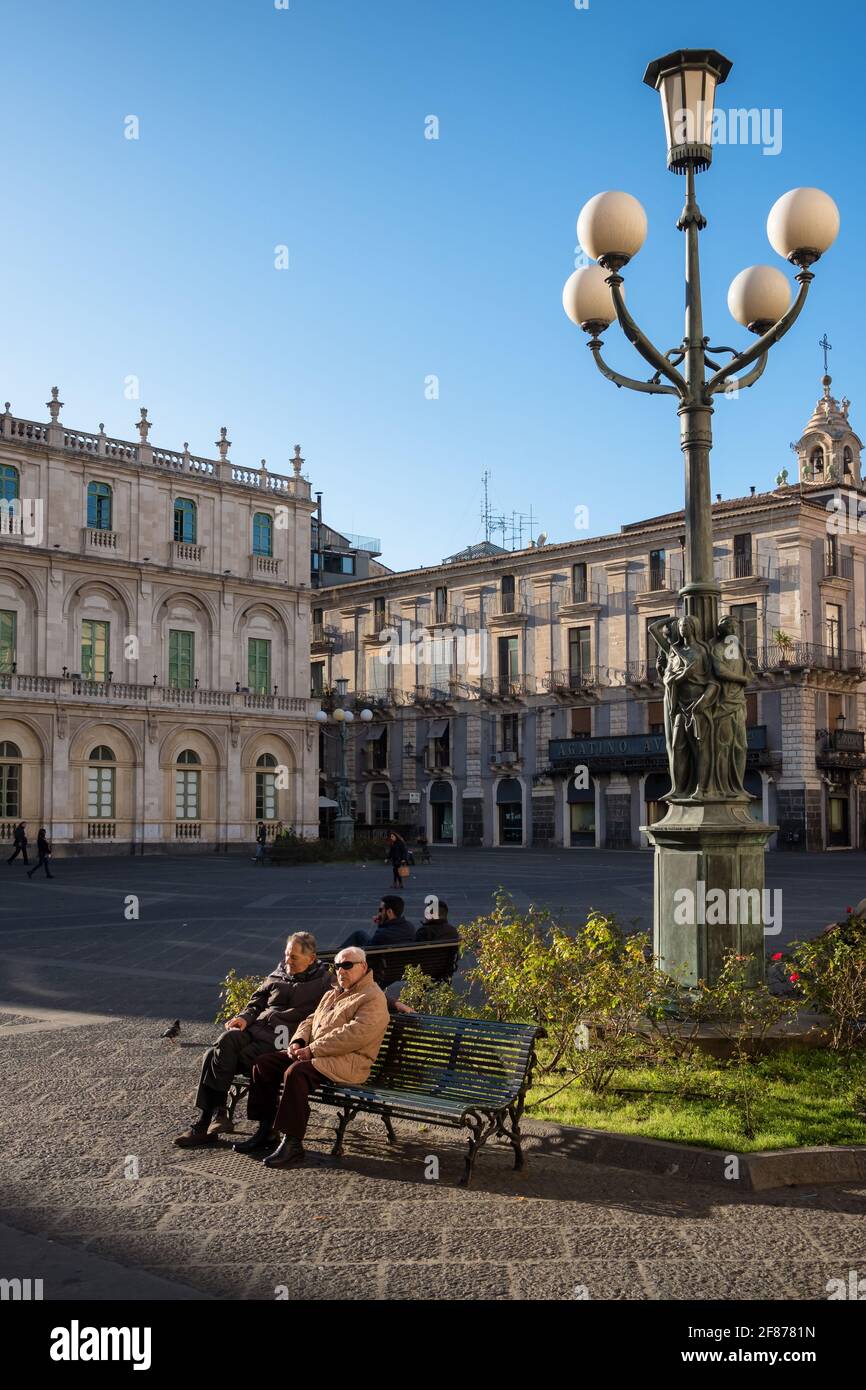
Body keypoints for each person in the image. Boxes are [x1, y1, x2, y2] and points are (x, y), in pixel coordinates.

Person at [236, 946, 390, 1168]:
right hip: (319, 1055)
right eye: (337, 966)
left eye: (347, 965)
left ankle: (293, 1144)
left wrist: (312, 1050)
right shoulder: (333, 993)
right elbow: (310, 1020)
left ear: (363, 967)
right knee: (264, 1064)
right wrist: (298, 1041)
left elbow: (354, 1035)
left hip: (350, 1062)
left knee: (296, 1073)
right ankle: (266, 1130)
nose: (341, 971)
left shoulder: (372, 997)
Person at [174, 932, 332, 1148]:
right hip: (256, 1031)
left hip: (280, 1041)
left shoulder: (323, 981)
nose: (288, 961)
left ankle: (207, 1122)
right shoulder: (279, 973)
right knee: (226, 1039)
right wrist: (244, 1017)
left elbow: (354, 992)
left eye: (294, 957)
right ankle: (217, 1115)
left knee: (212, 1055)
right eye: (286, 955)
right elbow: (257, 1001)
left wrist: (393, 1003)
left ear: (311, 958)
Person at [340, 894, 416, 950]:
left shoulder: (382, 934)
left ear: (389, 912)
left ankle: (334, 955)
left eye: (380, 910)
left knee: (357, 935)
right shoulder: (410, 927)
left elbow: (368, 949)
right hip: (399, 963)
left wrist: (381, 924)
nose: (379, 913)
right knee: (359, 934)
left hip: (380, 963)